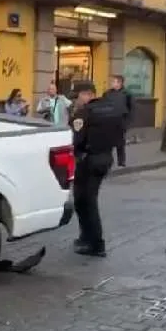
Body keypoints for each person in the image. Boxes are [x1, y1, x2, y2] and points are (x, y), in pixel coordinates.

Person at [70, 80, 124, 258]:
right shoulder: (111, 110)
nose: (75, 101)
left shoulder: (85, 113)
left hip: (87, 160)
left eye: (76, 97)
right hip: (105, 157)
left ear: (87, 94)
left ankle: (96, 243)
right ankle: (86, 238)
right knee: (85, 199)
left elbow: (76, 139)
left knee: (85, 200)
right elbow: (120, 135)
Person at [102, 74, 133, 167]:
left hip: (121, 121)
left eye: (114, 81)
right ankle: (108, 161)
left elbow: (131, 108)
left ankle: (121, 161)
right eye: (112, 81)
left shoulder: (127, 94)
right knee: (108, 143)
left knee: (120, 143)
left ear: (119, 83)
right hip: (109, 121)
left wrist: (127, 123)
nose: (112, 83)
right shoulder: (107, 93)